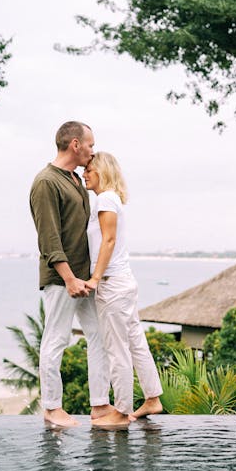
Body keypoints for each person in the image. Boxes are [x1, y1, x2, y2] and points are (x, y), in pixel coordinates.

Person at [29, 121, 113, 427]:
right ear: (75, 144)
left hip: (85, 279)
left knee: (99, 337)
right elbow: (49, 239)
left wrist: (89, 277)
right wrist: (68, 278)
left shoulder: (76, 180)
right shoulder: (46, 182)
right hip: (62, 280)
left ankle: (100, 405)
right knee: (56, 340)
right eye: (90, 144)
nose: (93, 150)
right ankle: (52, 408)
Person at [84, 152, 163, 426]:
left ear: (103, 173)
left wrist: (95, 279)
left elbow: (108, 240)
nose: (85, 174)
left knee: (116, 349)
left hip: (112, 284)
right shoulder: (110, 199)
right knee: (135, 342)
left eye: (90, 170)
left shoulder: (105, 199)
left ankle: (120, 411)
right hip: (123, 282)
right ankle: (152, 398)